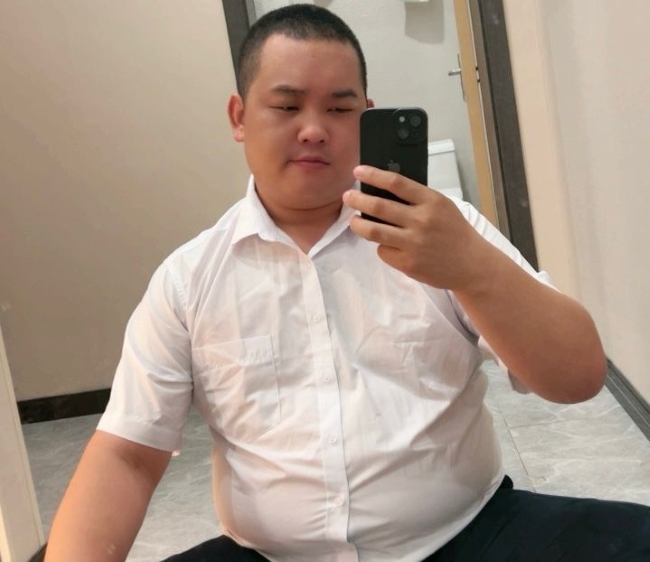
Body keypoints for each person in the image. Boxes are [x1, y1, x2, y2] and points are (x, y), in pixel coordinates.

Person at [45, 5, 650, 562]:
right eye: (287, 107)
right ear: (239, 117)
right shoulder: (188, 278)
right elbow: (127, 453)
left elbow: (577, 378)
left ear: (368, 115)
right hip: (269, 557)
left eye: (339, 109)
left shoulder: (445, 232)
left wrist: (472, 267)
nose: (314, 129)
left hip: (467, 535)